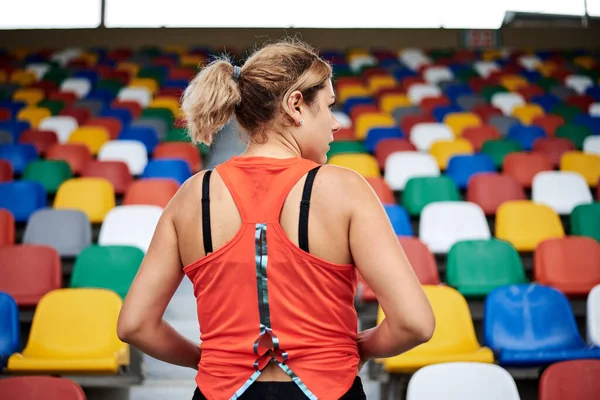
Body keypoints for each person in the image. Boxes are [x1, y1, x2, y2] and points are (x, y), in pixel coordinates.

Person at [117, 38, 435, 400]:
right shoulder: (345, 190)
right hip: (329, 388)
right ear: (296, 105)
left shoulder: (192, 195)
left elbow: (135, 325)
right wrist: (354, 348)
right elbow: (414, 323)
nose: (336, 124)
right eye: (328, 107)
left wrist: (205, 360)